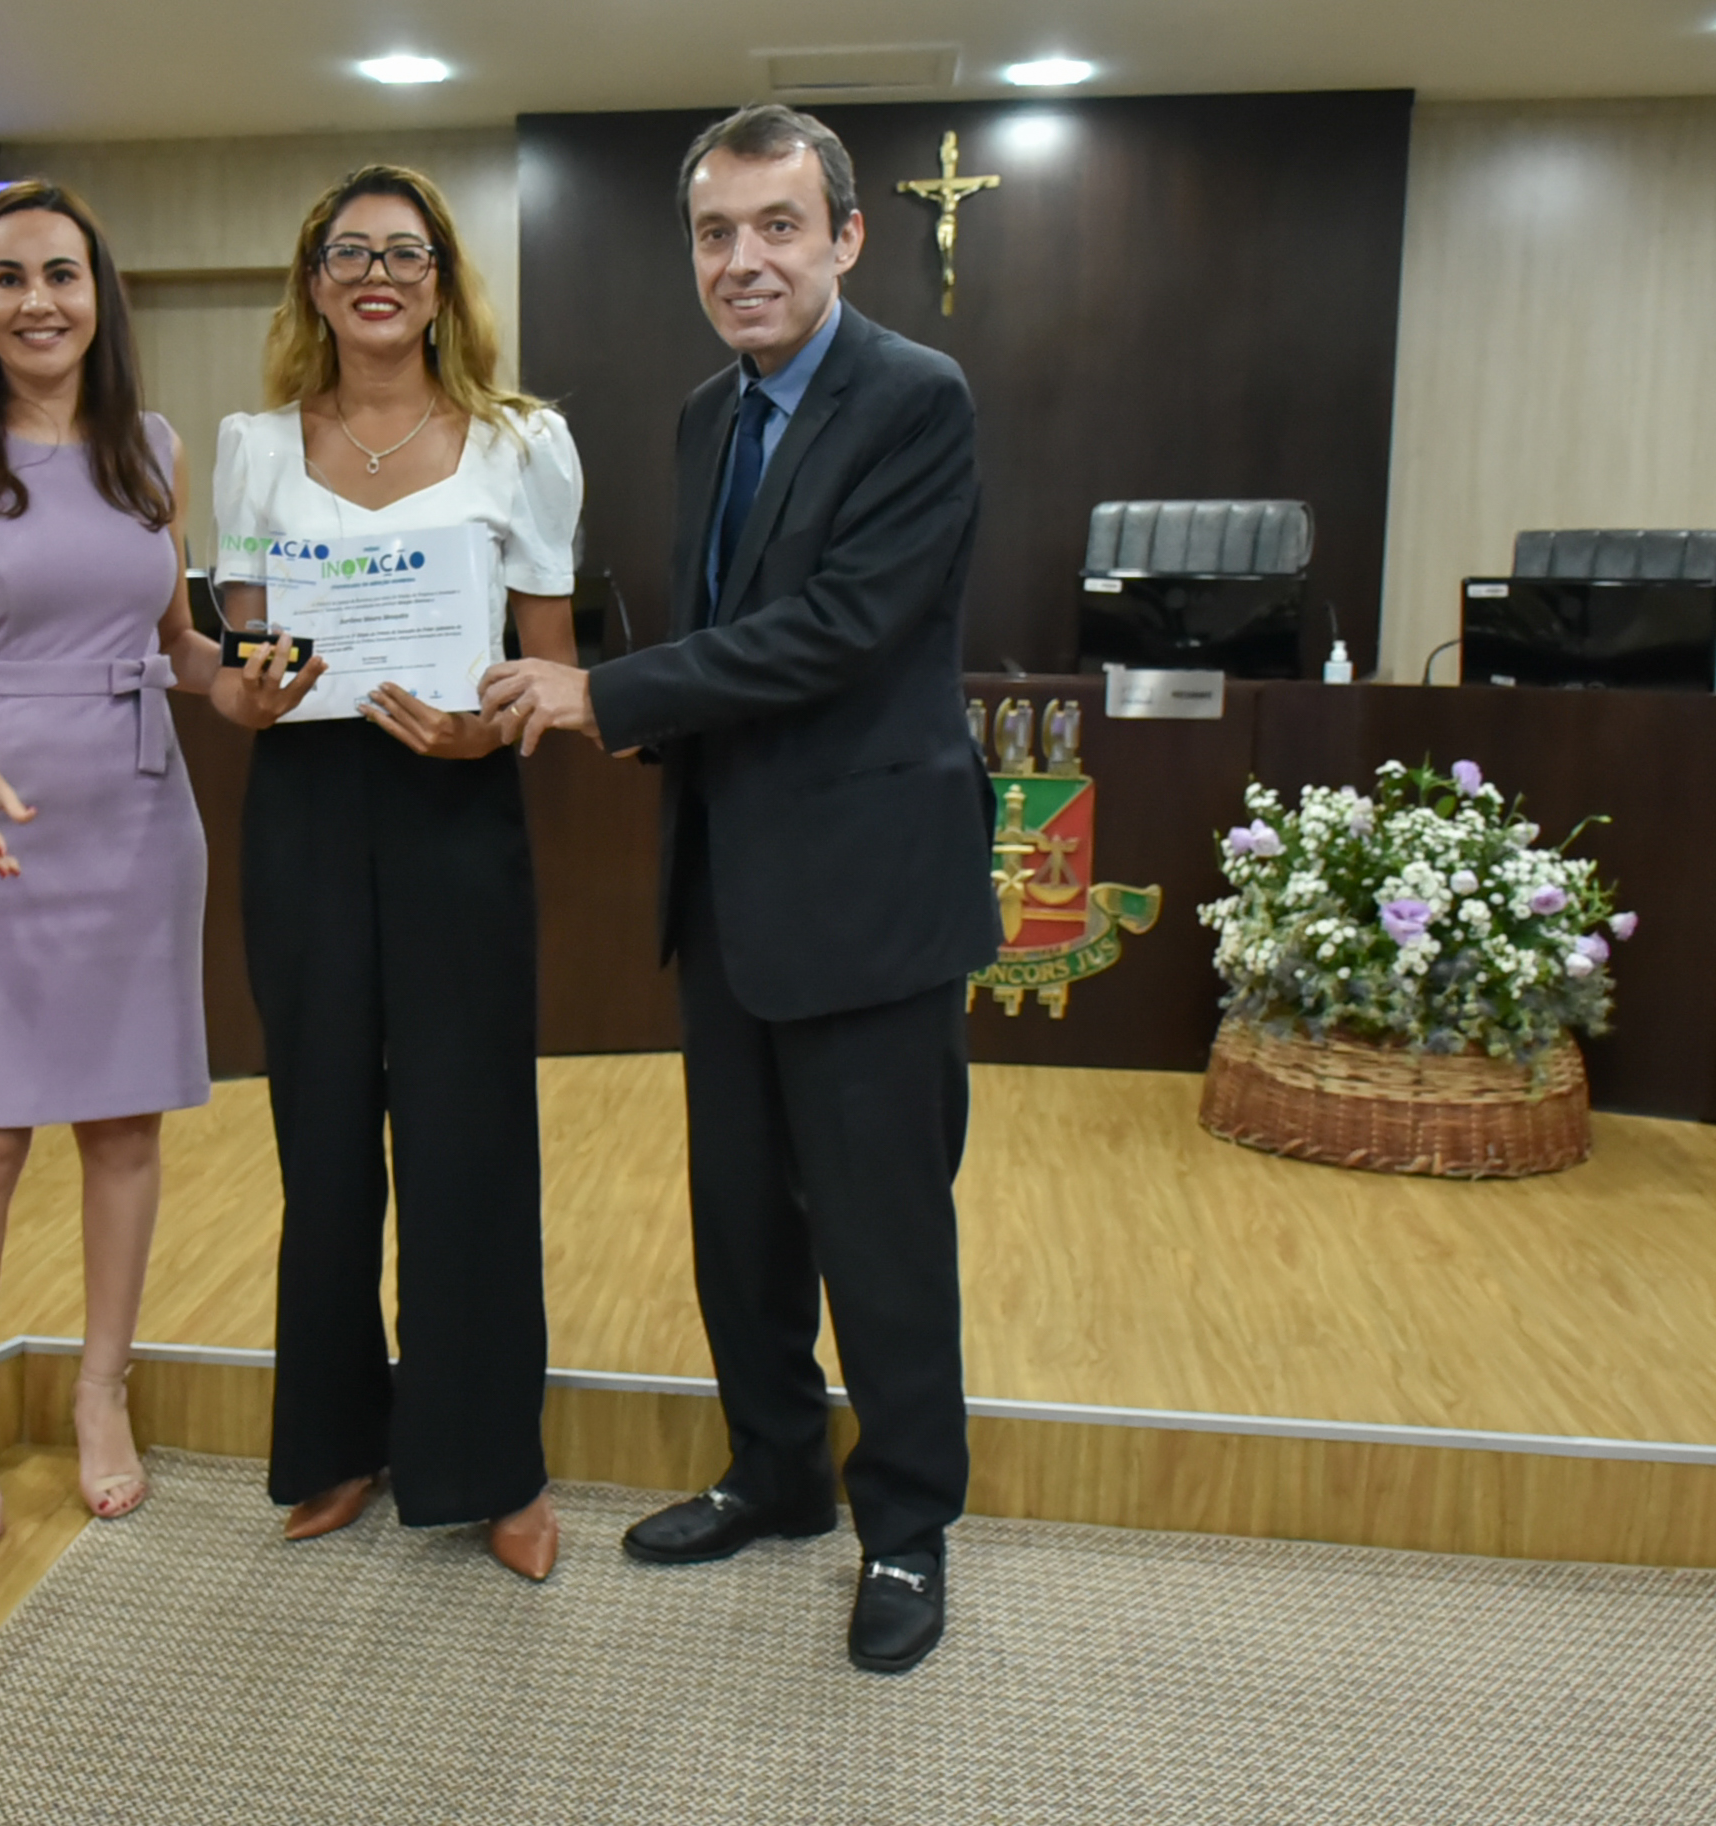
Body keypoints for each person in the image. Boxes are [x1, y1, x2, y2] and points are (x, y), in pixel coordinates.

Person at [481, 105, 1000, 1671]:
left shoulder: (918, 398)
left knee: (881, 1231)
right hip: (729, 886)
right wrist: (651, 718)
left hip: (868, 890)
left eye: (778, 226)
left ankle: (904, 1525)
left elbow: (845, 629)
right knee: (740, 1230)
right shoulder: (710, 411)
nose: (743, 260)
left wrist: (609, 696)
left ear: (846, 236)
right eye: (716, 232)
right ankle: (777, 1471)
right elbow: (739, 627)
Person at [209, 164, 581, 1580]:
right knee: (321, 1137)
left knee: (466, 1136)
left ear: (442, 280)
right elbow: (248, 653)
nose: (378, 272)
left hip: (457, 804)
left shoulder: (522, 442)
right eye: (349, 251)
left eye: (406, 252)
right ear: (314, 279)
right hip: (302, 806)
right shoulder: (251, 448)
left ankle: (489, 1459)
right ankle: (337, 1438)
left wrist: (499, 721)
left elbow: (549, 662)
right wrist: (248, 686)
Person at [0, 181, 221, 1545]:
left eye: (60, 274)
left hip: (137, 817)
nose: (37, 302)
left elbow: (177, 642)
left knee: (124, 1126)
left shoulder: (152, 448)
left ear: (99, 291)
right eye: (6, 278)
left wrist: (238, 684)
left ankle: (101, 1391)